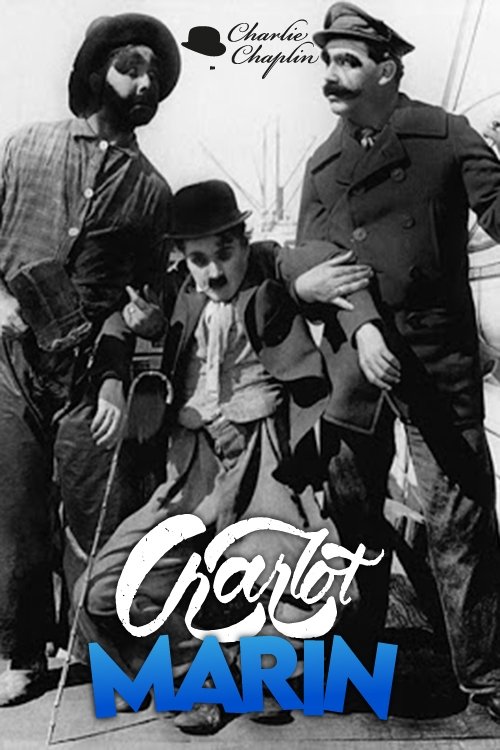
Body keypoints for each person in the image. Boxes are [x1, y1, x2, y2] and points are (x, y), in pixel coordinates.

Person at [78, 179, 372, 734]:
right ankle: (191, 674)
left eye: (225, 252)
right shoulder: (174, 291)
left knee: (305, 579)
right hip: (190, 466)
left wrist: (304, 285)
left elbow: (312, 261)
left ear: (244, 240)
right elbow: (118, 322)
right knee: (101, 589)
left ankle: (254, 675)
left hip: (262, 459)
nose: (214, 272)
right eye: (198, 259)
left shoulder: (267, 265)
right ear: (181, 258)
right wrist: (113, 381)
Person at [278, 1, 500, 721]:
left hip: (437, 365)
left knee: (461, 523)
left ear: (387, 69)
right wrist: (356, 320)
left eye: (347, 62)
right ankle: (355, 668)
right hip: (355, 368)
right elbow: (310, 257)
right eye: (326, 61)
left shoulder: (446, 135)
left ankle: (486, 680)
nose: (330, 75)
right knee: (351, 525)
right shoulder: (324, 165)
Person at [0, 13, 180, 705]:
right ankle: (19, 653)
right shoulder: (25, 147)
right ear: (94, 71)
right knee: (14, 513)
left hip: (88, 378)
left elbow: (136, 306)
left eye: (153, 75)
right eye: (130, 69)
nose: (144, 84)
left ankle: (120, 661)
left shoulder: (152, 191)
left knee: (105, 519)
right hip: (8, 366)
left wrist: (122, 362)